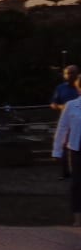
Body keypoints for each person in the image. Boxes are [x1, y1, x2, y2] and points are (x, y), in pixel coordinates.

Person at [52, 71, 81, 227]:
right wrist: (57, 150)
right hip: (76, 149)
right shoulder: (71, 106)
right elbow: (62, 128)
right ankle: (78, 218)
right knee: (77, 183)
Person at [51, 65, 80, 179]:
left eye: (73, 73)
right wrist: (61, 107)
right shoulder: (60, 88)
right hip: (67, 120)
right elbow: (53, 103)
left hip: (78, 122)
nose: (70, 75)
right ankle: (65, 172)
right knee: (65, 145)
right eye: (68, 73)